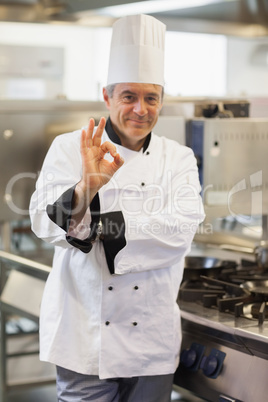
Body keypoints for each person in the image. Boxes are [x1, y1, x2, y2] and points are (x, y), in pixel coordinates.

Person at [29, 14, 205, 402]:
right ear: (107, 96)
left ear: (162, 100)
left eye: (151, 97)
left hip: (151, 343)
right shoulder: (68, 147)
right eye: (129, 96)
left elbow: (179, 231)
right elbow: (43, 222)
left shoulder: (179, 158)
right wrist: (86, 186)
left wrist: (91, 225)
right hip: (83, 335)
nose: (140, 109)